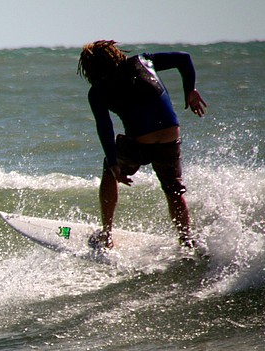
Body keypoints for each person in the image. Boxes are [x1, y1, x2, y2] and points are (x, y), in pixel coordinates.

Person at [77, 40, 207, 250]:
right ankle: (186, 240)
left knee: (109, 172)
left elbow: (105, 128)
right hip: (170, 137)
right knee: (173, 190)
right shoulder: (144, 61)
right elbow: (184, 58)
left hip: (141, 142)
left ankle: (107, 235)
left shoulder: (98, 91)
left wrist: (113, 164)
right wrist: (190, 89)